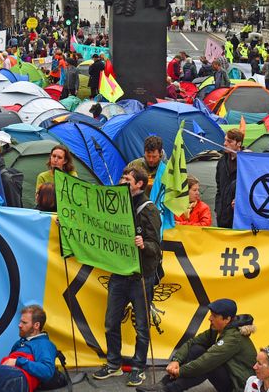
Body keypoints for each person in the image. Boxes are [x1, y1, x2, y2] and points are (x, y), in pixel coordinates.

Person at [92, 166, 161, 387]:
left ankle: (139, 367)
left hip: (141, 276)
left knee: (141, 325)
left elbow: (157, 247)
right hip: (119, 273)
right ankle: (113, 364)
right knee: (111, 322)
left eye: (127, 178)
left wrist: (144, 245)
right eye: (122, 177)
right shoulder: (118, 203)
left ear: (139, 184)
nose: (123, 180)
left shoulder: (149, 209)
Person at [149, 298, 256, 392]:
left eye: (214, 316)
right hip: (229, 374)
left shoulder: (234, 338)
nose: (210, 318)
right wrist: (176, 360)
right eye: (211, 314)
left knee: (208, 365)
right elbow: (192, 342)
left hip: (237, 387)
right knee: (196, 349)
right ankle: (165, 383)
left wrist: (180, 371)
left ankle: (169, 389)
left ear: (227, 319)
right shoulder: (218, 329)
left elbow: (207, 362)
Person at [215, 129, 245, 229]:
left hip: (238, 215)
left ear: (239, 143)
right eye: (225, 140)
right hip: (222, 215)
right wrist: (217, 208)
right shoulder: (221, 162)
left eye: (229, 141)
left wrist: (240, 200)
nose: (225, 143)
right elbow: (219, 188)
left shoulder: (246, 163)